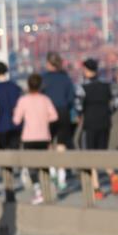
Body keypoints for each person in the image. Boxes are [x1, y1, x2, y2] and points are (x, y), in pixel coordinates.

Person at [77, 58, 118, 199]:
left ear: (86, 70)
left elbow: (78, 106)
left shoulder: (82, 87)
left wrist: (80, 114)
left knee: (91, 156)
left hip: (90, 124)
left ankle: (97, 189)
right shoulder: (107, 85)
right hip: (105, 122)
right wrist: (108, 111)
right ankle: (112, 174)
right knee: (103, 152)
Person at [13, 73, 58, 205]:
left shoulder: (23, 100)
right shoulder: (45, 99)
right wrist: (44, 120)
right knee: (45, 163)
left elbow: (16, 121)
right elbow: (54, 116)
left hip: (29, 137)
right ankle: (51, 182)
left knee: (32, 167)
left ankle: (39, 192)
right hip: (44, 136)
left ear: (28, 85)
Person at [42, 52, 76, 190]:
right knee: (62, 143)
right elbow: (71, 98)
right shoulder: (66, 79)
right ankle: (62, 176)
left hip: (48, 113)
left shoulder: (44, 79)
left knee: (48, 141)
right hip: (63, 112)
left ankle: (52, 170)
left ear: (49, 64)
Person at [0, 61, 22, 150]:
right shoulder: (15, 87)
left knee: (3, 156)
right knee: (15, 154)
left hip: (2, 126)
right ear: (6, 71)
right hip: (16, 126)